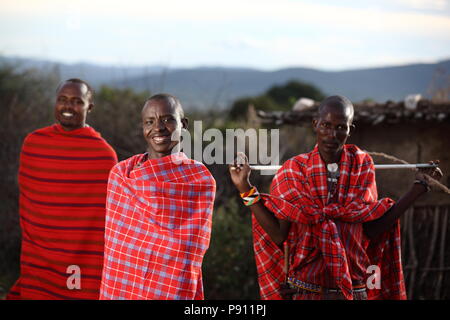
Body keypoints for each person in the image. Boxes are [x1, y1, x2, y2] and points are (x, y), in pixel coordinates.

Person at [229, 95, 443, 300]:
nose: (332, 134)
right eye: (326, 125)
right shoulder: (293, 171)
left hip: (354, 290)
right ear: (315, 124)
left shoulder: (362, 167)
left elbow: (369, 230)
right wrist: (245, 188)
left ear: (350, 130)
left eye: (341, 127)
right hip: (305, 291)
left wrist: (417, 189)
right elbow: (278, 235)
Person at [7, 78, 118, 299]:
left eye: (77, 101)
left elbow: (106, 218)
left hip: (81, 261)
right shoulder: (33, 144)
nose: (68, 107)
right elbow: (30, 207)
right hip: (39, 257)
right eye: (62, 100)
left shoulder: (103, 156)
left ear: (89, 107)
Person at [99, 93, 216, 300]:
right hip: (124, 285)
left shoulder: (199, 180)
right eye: (150, 122)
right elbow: (116, 246)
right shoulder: (122, 175)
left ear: (184, 125)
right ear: (142, 128)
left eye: (168, 119)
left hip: (172, 285)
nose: (159, 128)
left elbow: (191, 246)